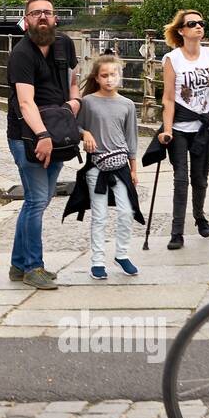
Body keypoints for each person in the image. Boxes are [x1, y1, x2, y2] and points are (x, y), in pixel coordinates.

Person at [7, 0, 81, 289]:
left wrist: (75, 101)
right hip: (27, 135)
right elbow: (25, 103)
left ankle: (17, 264)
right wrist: (42, 136)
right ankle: (33, 267)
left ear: (55, 18)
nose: (42, 17)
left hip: (58, 133)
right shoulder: (21, 54)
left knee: (39, 200)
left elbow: (74, 81)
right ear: (26, 21)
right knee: (37, 199)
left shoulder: (65, 45)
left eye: (47, 13)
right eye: (35, 13)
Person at [65, 55, 143, 279]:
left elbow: (132, 139)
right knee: (99, 216)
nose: (110, 79)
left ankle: (122, 254)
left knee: (127, 211)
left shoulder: (127, 105)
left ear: (120, 76)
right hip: (96, 166)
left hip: (121, 166)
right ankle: (97, 261)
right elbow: (73, 125)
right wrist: (85, 133)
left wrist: (134, 169)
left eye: (114, 74)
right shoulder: (88, 102)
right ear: (97, 78)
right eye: (105, 75)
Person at [158, 9, 209, 250]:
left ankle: (199, 216)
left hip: (203, 128)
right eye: (192, 24)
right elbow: (168, 98)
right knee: (180, 180)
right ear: (181, 30)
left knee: (200, 179)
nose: (198, 27)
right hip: (179, 128)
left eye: (201, 22)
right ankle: (176, 232)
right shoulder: (172, 59)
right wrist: (166, 129)